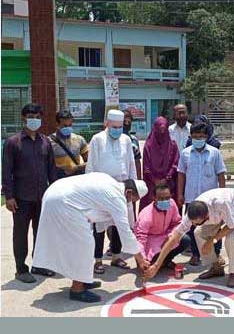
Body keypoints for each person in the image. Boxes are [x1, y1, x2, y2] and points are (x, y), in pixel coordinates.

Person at [32, 173, 148, 302]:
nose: (130, 203)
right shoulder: (117, 197)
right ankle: (77, 289)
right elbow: (125, 232)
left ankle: (84, 279)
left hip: (56, 194)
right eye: (132, 200)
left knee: (84, 244)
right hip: (62, 202)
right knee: (84, 245)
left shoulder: (110, 183)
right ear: (129, 192)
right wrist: (141, 260)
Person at [144, 188, 234, 288]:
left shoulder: (221, 203)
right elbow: (174, 238)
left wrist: (212, 240)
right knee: (198, 232)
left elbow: (230, 226)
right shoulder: (191, 213)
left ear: (207, 217)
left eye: (200, 223)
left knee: (231, 238)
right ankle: (216, 267)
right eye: (194, 223)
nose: (195, 224)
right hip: (219, 214)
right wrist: (157, 264)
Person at [2, 103, 58, 283]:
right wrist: (8, 196)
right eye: (31, 116)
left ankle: (39, 264)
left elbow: (51, 170)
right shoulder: (13, 142)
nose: (34, 120)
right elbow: (6, 171)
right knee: (20, 233)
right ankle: (21, 269)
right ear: (23, 118)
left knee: (41, 232)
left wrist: (55, 193)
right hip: (21, 198)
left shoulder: (45, 142)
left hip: (42, 197)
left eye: (37, 116)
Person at [86, 109, 137, 273]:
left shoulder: (126, 140)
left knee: (119, 223)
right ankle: (98, 260)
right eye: (113, 126)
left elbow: (131, 163)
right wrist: (90, 189)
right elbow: (91, 164)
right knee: (99, 225)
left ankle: (116, 256)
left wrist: (132, 186)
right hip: (101, 188)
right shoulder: (97, 139)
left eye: (119, 126)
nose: (117, 129)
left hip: (121, 187)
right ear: (107, 124)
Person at [177, 122, 227, 266]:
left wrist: (222, 194)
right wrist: (180, 194)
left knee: (215, 226)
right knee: (192, 228)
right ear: (191, 136)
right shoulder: (185, 153)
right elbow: (181, 174)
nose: (198, 139)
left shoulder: (214, 152)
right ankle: (195, 254)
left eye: (201, 136)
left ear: (206, 137)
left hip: (211, 199)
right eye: (195, 136)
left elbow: (220, 174)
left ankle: (216, 254)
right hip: (191, 198)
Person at [134, 183, 191, 272]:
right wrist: (142, 259)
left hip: (165, 235)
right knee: (147, 266)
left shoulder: (172, 204)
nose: (165, 201)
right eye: (161, 199)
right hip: (150, 240)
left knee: (185, 239)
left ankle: (166, 261)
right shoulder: (146, 216)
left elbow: (177, 223)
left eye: (167, 198)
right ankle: (154, 262)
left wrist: (171, 236)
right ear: (154, 198)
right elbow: (140, 240)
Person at [142, 117, 180, 210]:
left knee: (169, 211)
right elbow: (146, 166)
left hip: (169, 184)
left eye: (164, 130)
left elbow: (175, 164)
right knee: (151, 211)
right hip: (151, 185)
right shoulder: (148, 146)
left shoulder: (173, 145)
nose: (162, 133)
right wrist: (155, 180)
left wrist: (166, 178)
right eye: (159, 130)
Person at [49, 109, 89, 179]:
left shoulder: (79, 139)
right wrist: (61, 169)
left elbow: (89, 162)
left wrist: (77, 167)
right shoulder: (49, 141)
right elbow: (46, 164)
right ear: (57, 125)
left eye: (70, 125)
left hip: (75, 179)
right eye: (64, 126)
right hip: (57, 180)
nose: (67, 128)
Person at [122, 110, 143, 180]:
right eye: (124, 122)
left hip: (131, 178)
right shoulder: (114, 139)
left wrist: (139, 181)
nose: (127, 124)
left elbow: (137, 162)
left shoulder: (134, 140)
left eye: (129, 122)